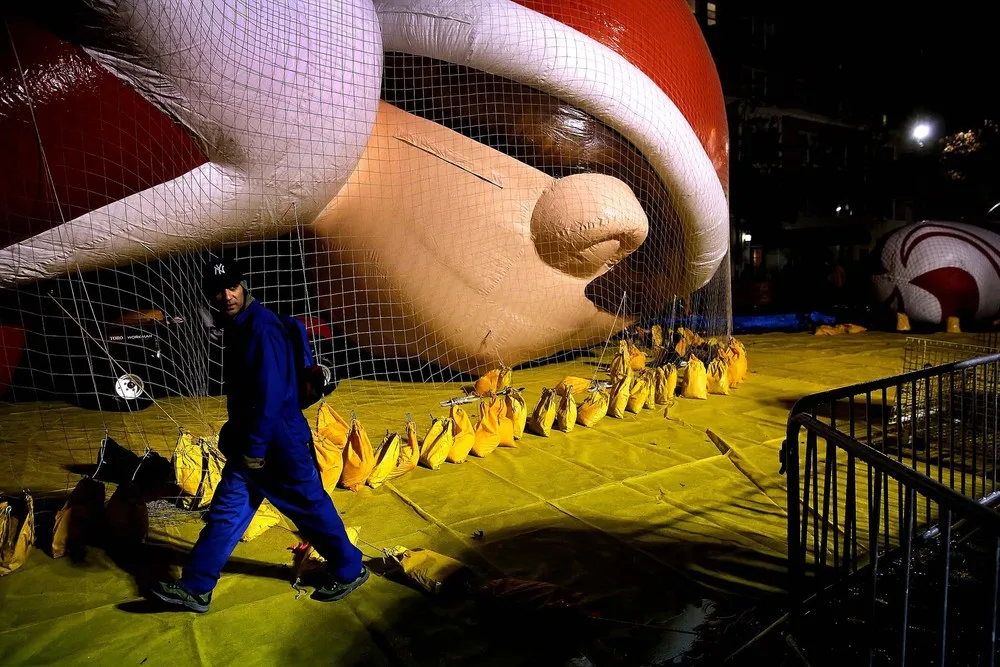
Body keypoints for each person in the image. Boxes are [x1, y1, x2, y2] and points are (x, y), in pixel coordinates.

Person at [150, 259, 367, 613]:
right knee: (227, 512)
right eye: (217, 291)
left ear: (243, 285)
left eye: (232, 286)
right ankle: (196, 586)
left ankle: (349, 568)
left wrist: (253, 448)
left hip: (278, 443)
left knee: (309, 508)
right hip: (253, 441)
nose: (226, 295)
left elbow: (270, 395)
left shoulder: (262, 328)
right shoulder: (239, 325)